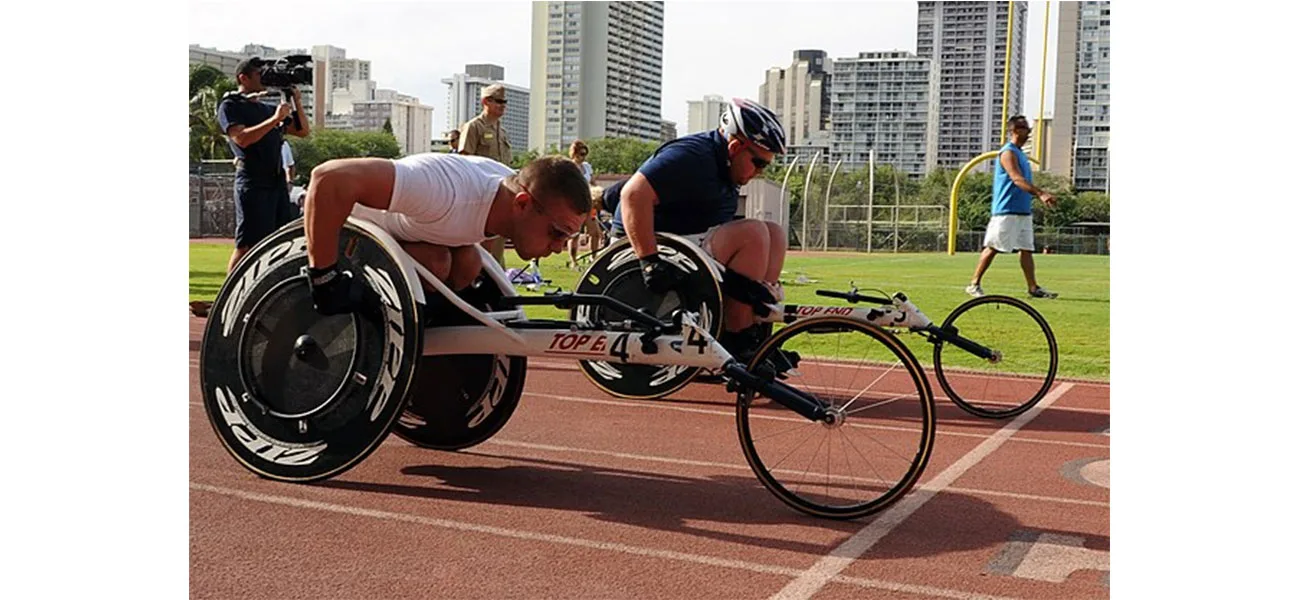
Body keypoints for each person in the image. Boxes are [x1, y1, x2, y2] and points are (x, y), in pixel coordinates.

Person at [601, 98, 789, 363]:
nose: (759, 172)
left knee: (774, 233)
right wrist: (649, 262)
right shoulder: (693, 156)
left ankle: (754, 332)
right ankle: (736, 337)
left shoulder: (726, 166)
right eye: (758, 163)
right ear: (735, 147)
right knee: (753, 234)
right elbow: (632, 195)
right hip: (645, 248)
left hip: (684, 242)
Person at [301, 154, 591, 317]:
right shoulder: (442, 191)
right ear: (523, 205)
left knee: (468, 264)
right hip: (342, 230)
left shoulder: (506, 194)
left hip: (407, 238)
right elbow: (328, 178)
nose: (557, 248)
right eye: (557, 233)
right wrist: (324, 278)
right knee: (435, 263)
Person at [217, 56, 311, 273]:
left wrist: (295, 100)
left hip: (275, 181)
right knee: (247, 244)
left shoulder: (267, 108)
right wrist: (274, 120)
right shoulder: (231, 105)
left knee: (276, 241)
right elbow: (241, 138)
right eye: (260, 74)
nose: (265, 78)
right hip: (252, 180)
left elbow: (302, 131)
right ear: (243, 78)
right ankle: (229, 299)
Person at [965, 115, 1059, 299]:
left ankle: (1033, 288)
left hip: (1023, 211)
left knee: (1026, 249)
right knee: (993, 247)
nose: (1029, 132)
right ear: (1015, 130)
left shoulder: (1021, 154)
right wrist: (1040, 193)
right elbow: (1017, 179)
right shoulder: (1007, 153)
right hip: (1006, 210)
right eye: (1025, 128)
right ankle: (974, 284)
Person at [458, 84, 513, 268]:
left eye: (504, 102)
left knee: (498, 245)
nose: (503, 105)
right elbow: (465, 162)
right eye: (498, 101)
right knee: (479, 247)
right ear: (485, 102)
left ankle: (497, 282)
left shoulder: (502, 132)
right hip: (480, 195)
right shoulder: (474, 127)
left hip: (501, 196)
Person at [566, 140, 601, 269]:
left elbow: (593, 182)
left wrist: (596, 192)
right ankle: (573, 261)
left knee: (595, 233)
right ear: (574, 153)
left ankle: (593, 258)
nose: (583, 156)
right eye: (581, 153)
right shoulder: (569, 167)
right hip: (575, 204)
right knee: (574, 234)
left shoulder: (586, 166)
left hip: (589, 203)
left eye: (585, 153)